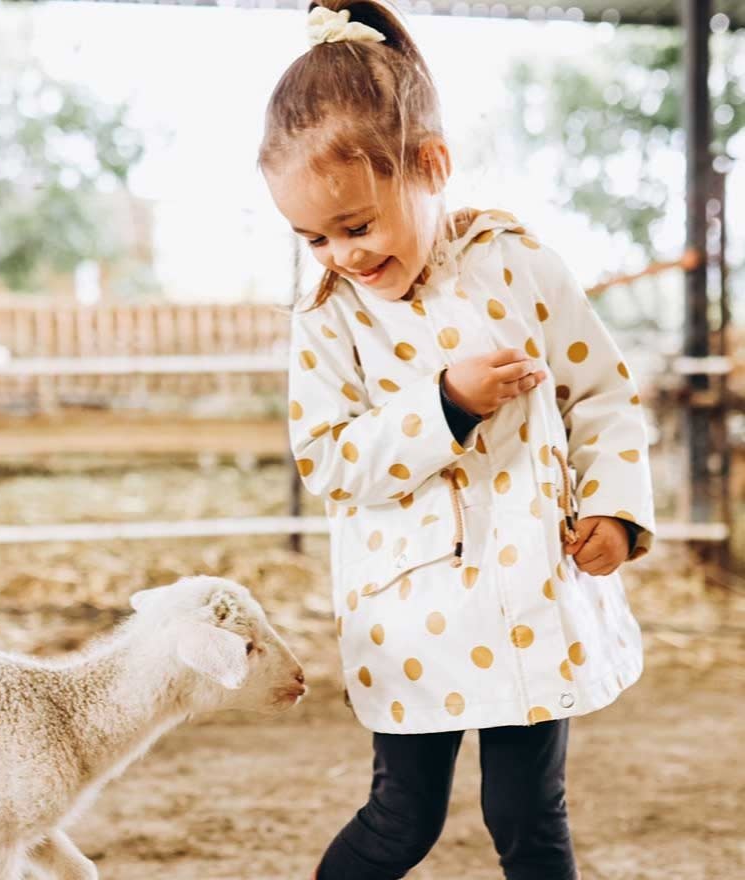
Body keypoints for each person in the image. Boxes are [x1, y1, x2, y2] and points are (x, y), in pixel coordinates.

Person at [257, 3, 657, 878]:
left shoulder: (520, 267)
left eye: (357, 226)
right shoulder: (329, 321)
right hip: (410, 609)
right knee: (404, 819)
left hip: (531, 590)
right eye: (313, 238)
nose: (341, 255)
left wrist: (618, 512)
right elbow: (328, 458)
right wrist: (445, 405)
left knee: (528, 813)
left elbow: (604, 397)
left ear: (430, 166)